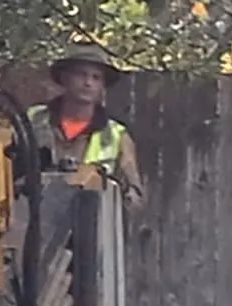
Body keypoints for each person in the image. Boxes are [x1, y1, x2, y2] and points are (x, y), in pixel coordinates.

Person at [25, 42, 144, 210]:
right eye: (81, 75)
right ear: (64, 78)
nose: (88, 83)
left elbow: (135, 196)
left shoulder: (116, 136)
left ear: (102, 86)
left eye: (96, 78)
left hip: (92, 223)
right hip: (34, 220)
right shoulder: (33, 119)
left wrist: (117, 191)